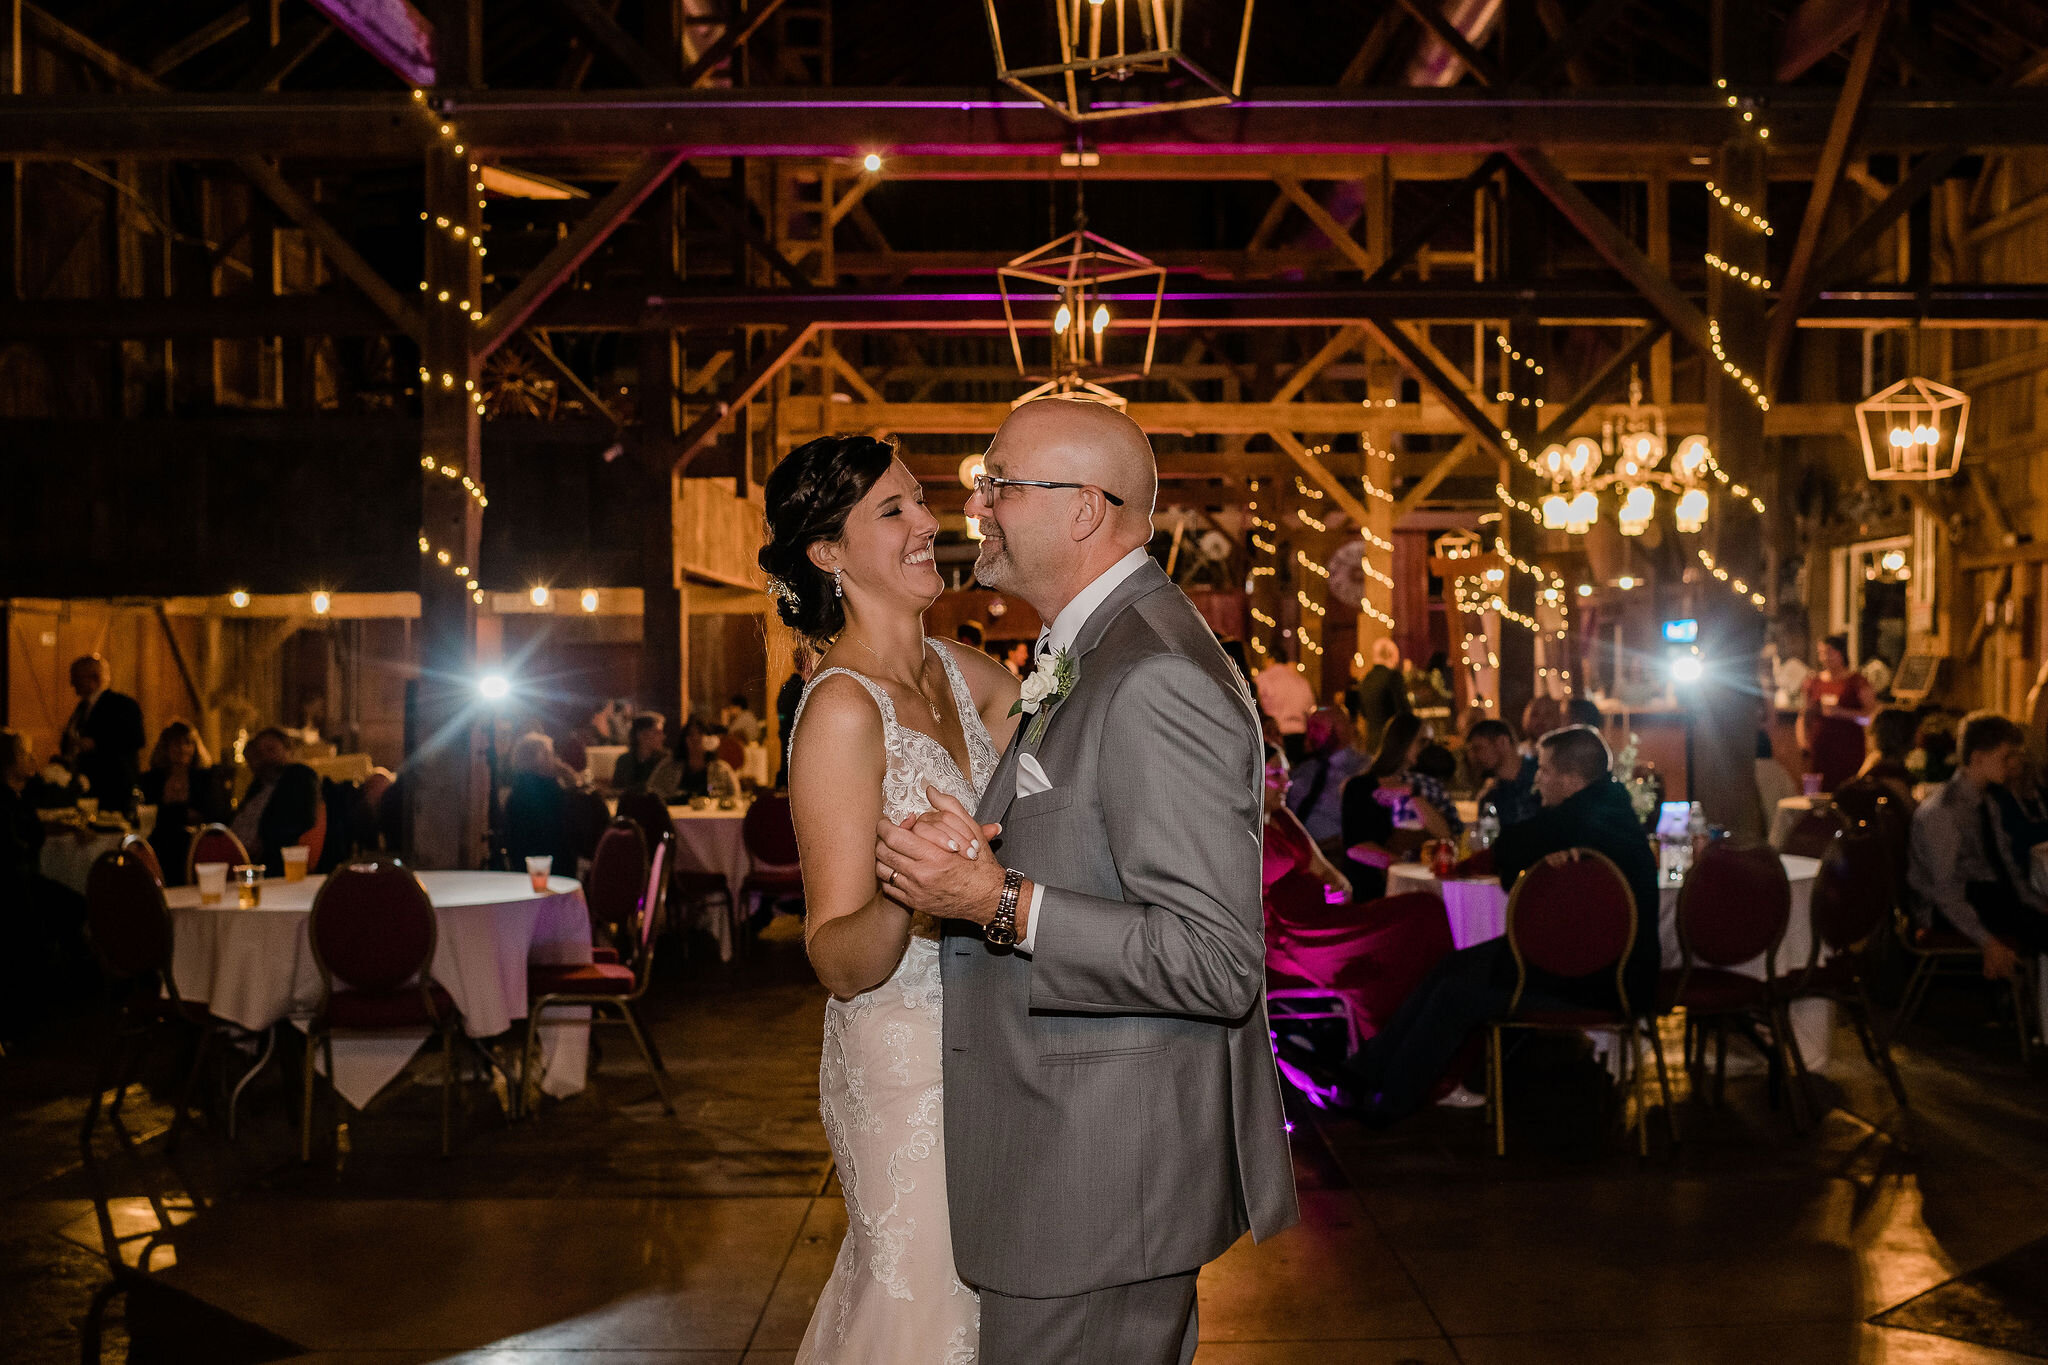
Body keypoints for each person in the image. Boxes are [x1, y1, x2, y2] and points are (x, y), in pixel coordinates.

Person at [868, 400, 1297, 1362]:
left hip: (1100, 1183)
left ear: (1084, 511)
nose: (975, 504)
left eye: (1000, 482)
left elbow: (1217, 959)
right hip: (1072, 1172)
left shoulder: (1155, 673)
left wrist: (995, 902)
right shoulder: (1099, 651)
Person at [765, 433, 1014, 1360]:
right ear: (827, 553)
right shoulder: (838, 709)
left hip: (995, 1040)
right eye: (894, 510)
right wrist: (915, 896)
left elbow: (1067, 745)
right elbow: (835, 955)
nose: (929, 522)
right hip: (904, 1060)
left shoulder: (965, 675)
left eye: (921, 501)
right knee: (924, 1312)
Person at [1333, 725, 1660, 1122]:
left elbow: (1508, 851)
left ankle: (1389, 1100)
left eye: (1543, 770)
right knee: (1452, 965)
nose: (1537, 778)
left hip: (1596, 978)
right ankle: (1366, 1071)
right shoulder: (1609, 811)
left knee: (1455, 992)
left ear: (1571, 779)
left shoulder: (1579, 817)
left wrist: (1537, 852)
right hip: (1590, 963)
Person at [1907, 711, 2048, 983]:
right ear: (1977, 758)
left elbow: (2006, 867)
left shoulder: (1988, 803)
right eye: (2005, 757)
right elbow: (1945, 893)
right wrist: (1987, 942)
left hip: (1989, 897)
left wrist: (2036, 902)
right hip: (1949, 910)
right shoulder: (1943, 812)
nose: (2011, 764)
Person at [1347, 712, 1461, 848]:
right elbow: (1356, 847)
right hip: (1381, 867)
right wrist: (1401, 863)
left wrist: (1412, 794)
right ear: (1402, 741)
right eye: (1422, 742)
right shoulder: (1360, 786)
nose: (1427, 749)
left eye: (1430, 743)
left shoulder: (1427, 785)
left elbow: (1447, 836)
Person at [138, 720, 229, 885]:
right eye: (176, 744)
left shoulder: (206, 777)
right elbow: (148, 814)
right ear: (166, 747)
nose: (182, 749)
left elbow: (215, 814)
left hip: (194, 842)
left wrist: (171, 812)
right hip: (159, 839)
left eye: (187, 743)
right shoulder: (152, 779)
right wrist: (182, 813)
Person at [229, 727, 321, 876]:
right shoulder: (257, 786)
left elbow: (304, 821)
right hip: (233, 853)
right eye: (259, 753)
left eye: (271, 750)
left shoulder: (299, 776)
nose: (264, 757)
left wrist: (264, 842)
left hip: (265, 862)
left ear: (287, 750)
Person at [1264, 747, 1351, 902]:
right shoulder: (1240, 831)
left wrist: (1338, 886)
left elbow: (1324, 868)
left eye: (1287, 774)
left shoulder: (1284, 817)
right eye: (1277, 774)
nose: (1288, 782)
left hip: (1316, 912)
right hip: (1279, 922)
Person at [61, 654, 146, 809]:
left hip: (114, 785)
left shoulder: (122, 705)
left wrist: (96, 743)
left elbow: (135, 738)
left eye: (76, 677)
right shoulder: (81, 708)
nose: (72, 683)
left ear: (93, 678)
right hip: (88, 786)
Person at [1798, 633, 1874, 791]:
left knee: (1848, 790)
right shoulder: (1814, 682)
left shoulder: (1856, 681)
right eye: (1821, 653)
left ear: (1841, 652)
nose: (1825, 657)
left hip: (1848, 749)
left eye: (1830, 652)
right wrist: (1803, 742)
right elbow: (1804, 714)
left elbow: (1869, 718)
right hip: (1821, 748)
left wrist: (1841, 713)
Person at [1286, 706, 1366, 848]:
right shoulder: (1304, 769)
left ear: (1340, 728)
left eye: (1317, 727)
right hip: (1293, 847)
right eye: (1310, 727)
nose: (1311, 734)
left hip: (1337, 851)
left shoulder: (1362, 770)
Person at [501, 733, 580, 874]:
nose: (556, 759)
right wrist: (572, 780)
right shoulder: (549, 790)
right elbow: (569, 823)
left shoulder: (517, 790)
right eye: (551, 754)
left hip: (522, 865)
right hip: (551, 865)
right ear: (539, 759)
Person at [1465, 717, 1540, 830]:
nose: (1474, 757)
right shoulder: (1489, 799)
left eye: (1478, 748)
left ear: (1502, 742)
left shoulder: (1542, 773)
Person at [1352, 637, 1412, 752]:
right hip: (1392, 742)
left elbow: (1363, 711)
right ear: (1390, 655)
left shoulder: (1366, 678)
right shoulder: (1393, 676)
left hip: (1372, 742)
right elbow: (1403, 710)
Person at [1257, 651, 1319, 762]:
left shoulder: (1263, 678)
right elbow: (1310, 707)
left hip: (1275, 735)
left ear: (1270, 660)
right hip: (1300, 734)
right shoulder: (1300, 680)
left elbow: (1258, 705)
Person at [650, 715, 713, 803]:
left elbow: (733, 798)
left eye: (700, 733)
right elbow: (653, 792)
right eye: (691, 734)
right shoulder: (669, 767)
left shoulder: (720, 769)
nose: (695, 738)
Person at [608, 713, 668, 792]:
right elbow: (616, 791)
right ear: (641, 735)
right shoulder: (624, 761)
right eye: (657, 732)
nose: (663, 737)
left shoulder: (666, 761)